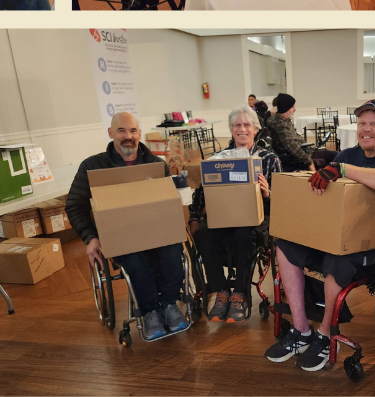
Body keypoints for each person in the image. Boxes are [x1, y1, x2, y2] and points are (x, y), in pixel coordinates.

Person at [266, 100, 375, 371]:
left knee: (338, 256)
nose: (367, 129)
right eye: (362, 124)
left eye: (374, 124)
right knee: (285, 244)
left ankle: (324, 332)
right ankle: (301, 330)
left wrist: (343, 170)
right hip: (337, 233)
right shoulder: (347, 154)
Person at [66, 112, 192, 342]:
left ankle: (169, 304)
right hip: (120, 237)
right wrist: (90, 237)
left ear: (139, 134)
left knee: (174, 248)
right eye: (122, 131)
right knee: (133, 257)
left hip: (156, 232)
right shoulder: (92, 167)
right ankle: (150, 312)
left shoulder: (155, 165)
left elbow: (168, 202)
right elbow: (74, 205)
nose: (128, 136)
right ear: (111, 133)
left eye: (133, 131)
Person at [196, 107, 281, 323]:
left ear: (256, 129)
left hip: (258, 220)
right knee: (204, 234)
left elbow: (283, 202)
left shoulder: (270, 160)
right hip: (224, 218)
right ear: (231, 130)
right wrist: (194, 216)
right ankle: (221, 291)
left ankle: (240, 294)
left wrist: (267, 193)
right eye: (237, 125)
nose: (242, 129)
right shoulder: (218, 159)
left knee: (245, 233)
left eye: (247, 125)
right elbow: (200, 192)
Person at [264, 92, 316, 172]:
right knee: (330, 155)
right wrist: (309, 162)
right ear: (286, 108)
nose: (295, 109)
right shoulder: (282, 124)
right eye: (292, 107)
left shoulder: (274, 120)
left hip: (297, 154)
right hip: (295, 159)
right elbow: (291, 146)